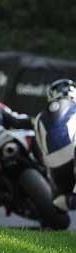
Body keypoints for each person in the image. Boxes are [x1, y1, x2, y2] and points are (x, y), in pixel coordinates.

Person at [34, 79, 76, 211]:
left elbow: (39, 147)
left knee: (59, 201)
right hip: (73, 158)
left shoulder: (40, 116)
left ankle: (66, 200)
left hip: (54, 170)